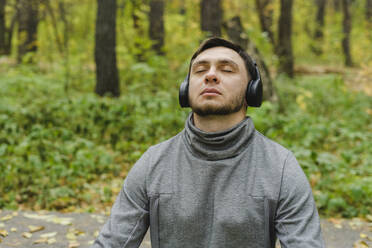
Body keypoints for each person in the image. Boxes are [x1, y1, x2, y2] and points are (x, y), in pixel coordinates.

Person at [92, 37, 325, 248]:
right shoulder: (154, 163)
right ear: (186, 89)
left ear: (252, 90)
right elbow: (112, 243)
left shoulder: (280, 167)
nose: (210, 75)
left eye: (227, 69)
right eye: (200, 70)